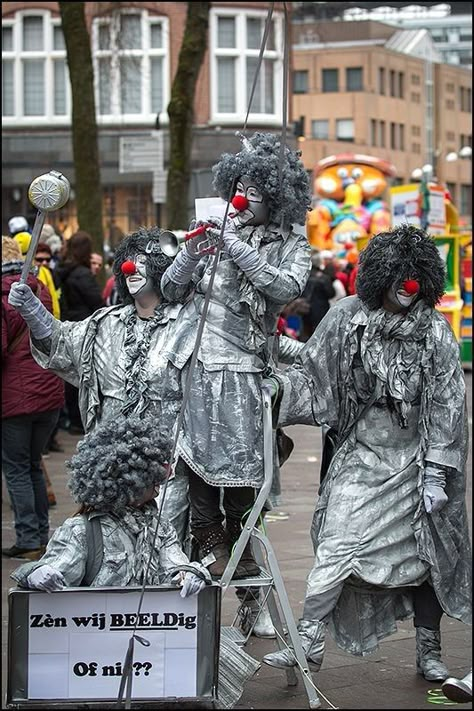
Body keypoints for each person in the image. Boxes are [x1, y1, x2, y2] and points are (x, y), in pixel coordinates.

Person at [262, 225, 471, 682]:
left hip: (417, 464)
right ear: (380, 276)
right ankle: (309, 640)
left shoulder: (435, 333)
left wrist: (436, 473)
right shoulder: (346, 319)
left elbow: (447, 405)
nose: (408, 285)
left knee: (427, 557)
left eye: (416, 276)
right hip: (361, 457)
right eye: (399, 274)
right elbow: (317, 378)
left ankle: (429, 649)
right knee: (338, 543)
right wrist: (276, 390)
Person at [10, 413, 260, 710]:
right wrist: (40, 572)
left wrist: (190, 573)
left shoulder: (159, 524)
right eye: (151, 477)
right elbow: (54, 569)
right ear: (124, 481)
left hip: (153, 647)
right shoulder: (81, 530)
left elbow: (174, 562)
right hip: (97, 657)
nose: (161, 482)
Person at [159, 131, 312, 584]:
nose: (245, 197)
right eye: (241, 188)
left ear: (278, 199)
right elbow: (170, 290)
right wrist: (190, 254)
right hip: (198, 364)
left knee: (244, 459)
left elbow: (285, 288)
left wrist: (238, 250)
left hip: (246, 367)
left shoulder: (293, 244)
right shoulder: (216, 226)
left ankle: (241, 540)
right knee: (195, 455)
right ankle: (207, 537)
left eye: (256, 192)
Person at [7, 226, 184, 435]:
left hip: (168, 452)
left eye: (143, 263)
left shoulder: (185, 325)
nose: (131, 268)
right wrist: (32, 309)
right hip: (109, 453)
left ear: (161, 268)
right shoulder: (105, 322)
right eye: (128, 262)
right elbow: (60, 341)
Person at [2, 236, 64, 560]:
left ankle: (28, 538)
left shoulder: (2, 296)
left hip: (16, 397)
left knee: (16, 469)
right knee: (33, 466)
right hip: (48, 391)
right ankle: (41, 534)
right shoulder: (39, 287)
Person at [55, 230, 105, 433]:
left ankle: (74, 418)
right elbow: (97, 302)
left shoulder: (62, 271)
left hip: (69, 323)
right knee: (84, 375)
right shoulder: (82, 274)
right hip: (84, 326)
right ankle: (79, 419)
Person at [300, 251, 336, 341]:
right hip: (321, 309)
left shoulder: (303, 276)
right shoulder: (324, 277)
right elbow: (331, 293)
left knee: (306, 331)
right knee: (320, 334)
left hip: (304, 308)